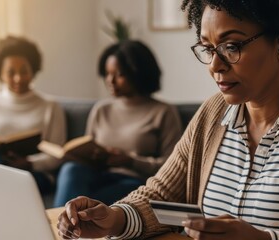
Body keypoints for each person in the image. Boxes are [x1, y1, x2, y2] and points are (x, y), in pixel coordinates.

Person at [57, 1, 279, 239]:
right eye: (207, 48)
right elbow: (162, 196)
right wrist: (114, 218)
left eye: (232, 46)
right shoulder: (212, 114)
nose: (215, 65)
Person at [52, 40, 183, 207]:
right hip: (97, 175)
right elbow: (87, 147)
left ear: (139, 73)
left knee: (87, 201)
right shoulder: (101, 109)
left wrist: (130, 161)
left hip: (134, 182)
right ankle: (61, 226)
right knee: (71, 169)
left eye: (119, 74)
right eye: (107, 73)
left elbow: (172, 167)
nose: (110, 81)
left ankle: (71, 220)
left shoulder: (163, 112)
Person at [0, 36, 66, 222]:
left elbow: (57, 155)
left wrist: (28, 162)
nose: (18, 78)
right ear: (0, 74)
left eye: (24, 71)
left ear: (33, 70)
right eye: (11, 72)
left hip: (32, 175)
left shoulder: (50, 106)